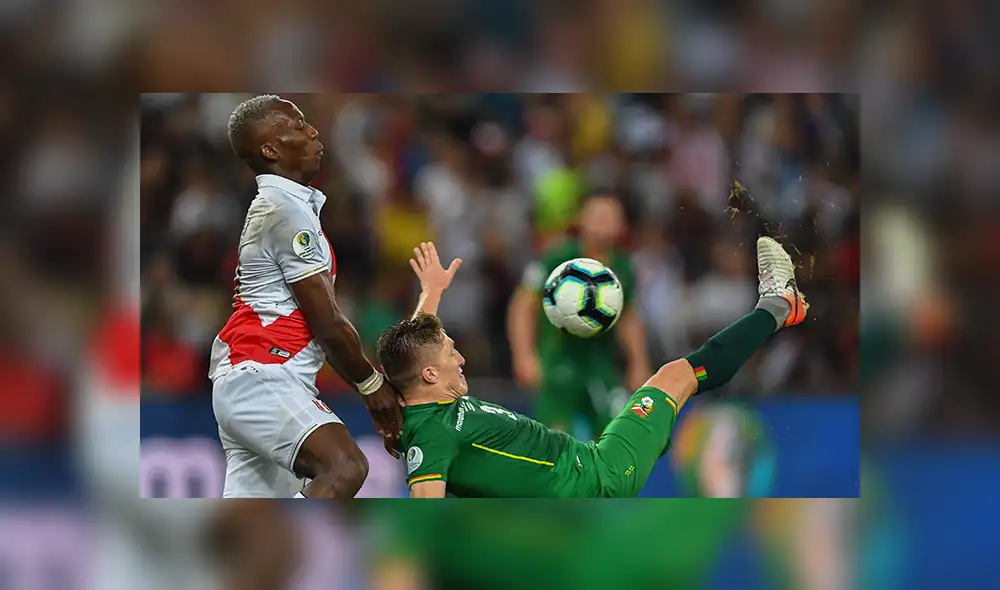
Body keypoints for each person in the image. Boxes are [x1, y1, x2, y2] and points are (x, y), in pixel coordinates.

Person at [378, 239, 807, 498]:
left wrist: (431, 291)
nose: (462, 358)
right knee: (677, 376)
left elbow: (417, 348)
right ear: (430, 376)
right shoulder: (430, 436)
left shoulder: (425, 387)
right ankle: (779, 304)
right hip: (597, 478)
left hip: (580, 469)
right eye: (452, 354)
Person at [209, 95, 402, 499]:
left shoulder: (286, 207)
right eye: (298, 126)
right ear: (270, 149)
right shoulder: (283, 211)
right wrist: (372, 387)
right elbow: (327, 323)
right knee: (345, 466)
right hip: (262, 373)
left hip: (256, 377)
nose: (314, 132)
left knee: (249, 533)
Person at [507, 191, 651, 439]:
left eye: (610, 217)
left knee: (619, 439)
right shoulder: (556, 258)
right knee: (556, 445)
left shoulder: (624, 268)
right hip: (557, 367)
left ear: (622, 225)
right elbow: (522, 306)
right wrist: (524, 355)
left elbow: (628, 317)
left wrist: (638, 363)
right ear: (580, 220)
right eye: (597, 216)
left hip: (602, 369)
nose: (603, 223)